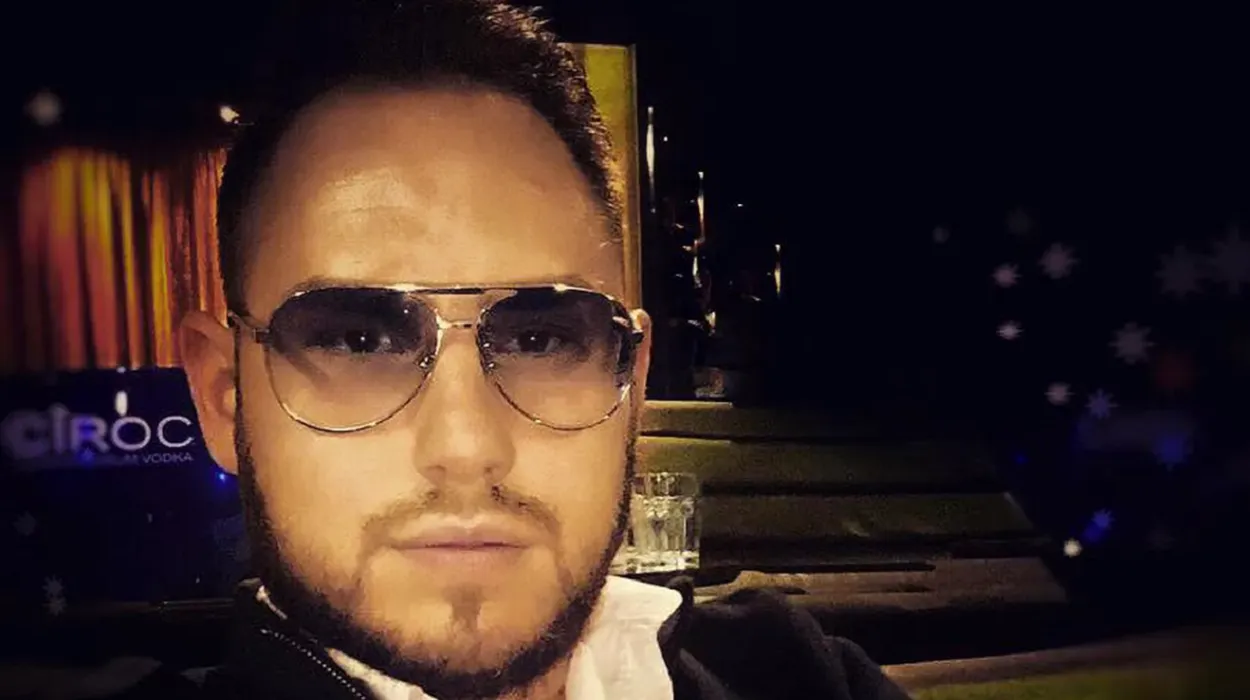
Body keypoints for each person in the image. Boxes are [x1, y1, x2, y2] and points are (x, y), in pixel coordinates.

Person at [178, 1, 912, 698]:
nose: (467, 448)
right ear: (223, 396)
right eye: (357, 340)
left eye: (539, 339)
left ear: (633, 382)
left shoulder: (802, 677)